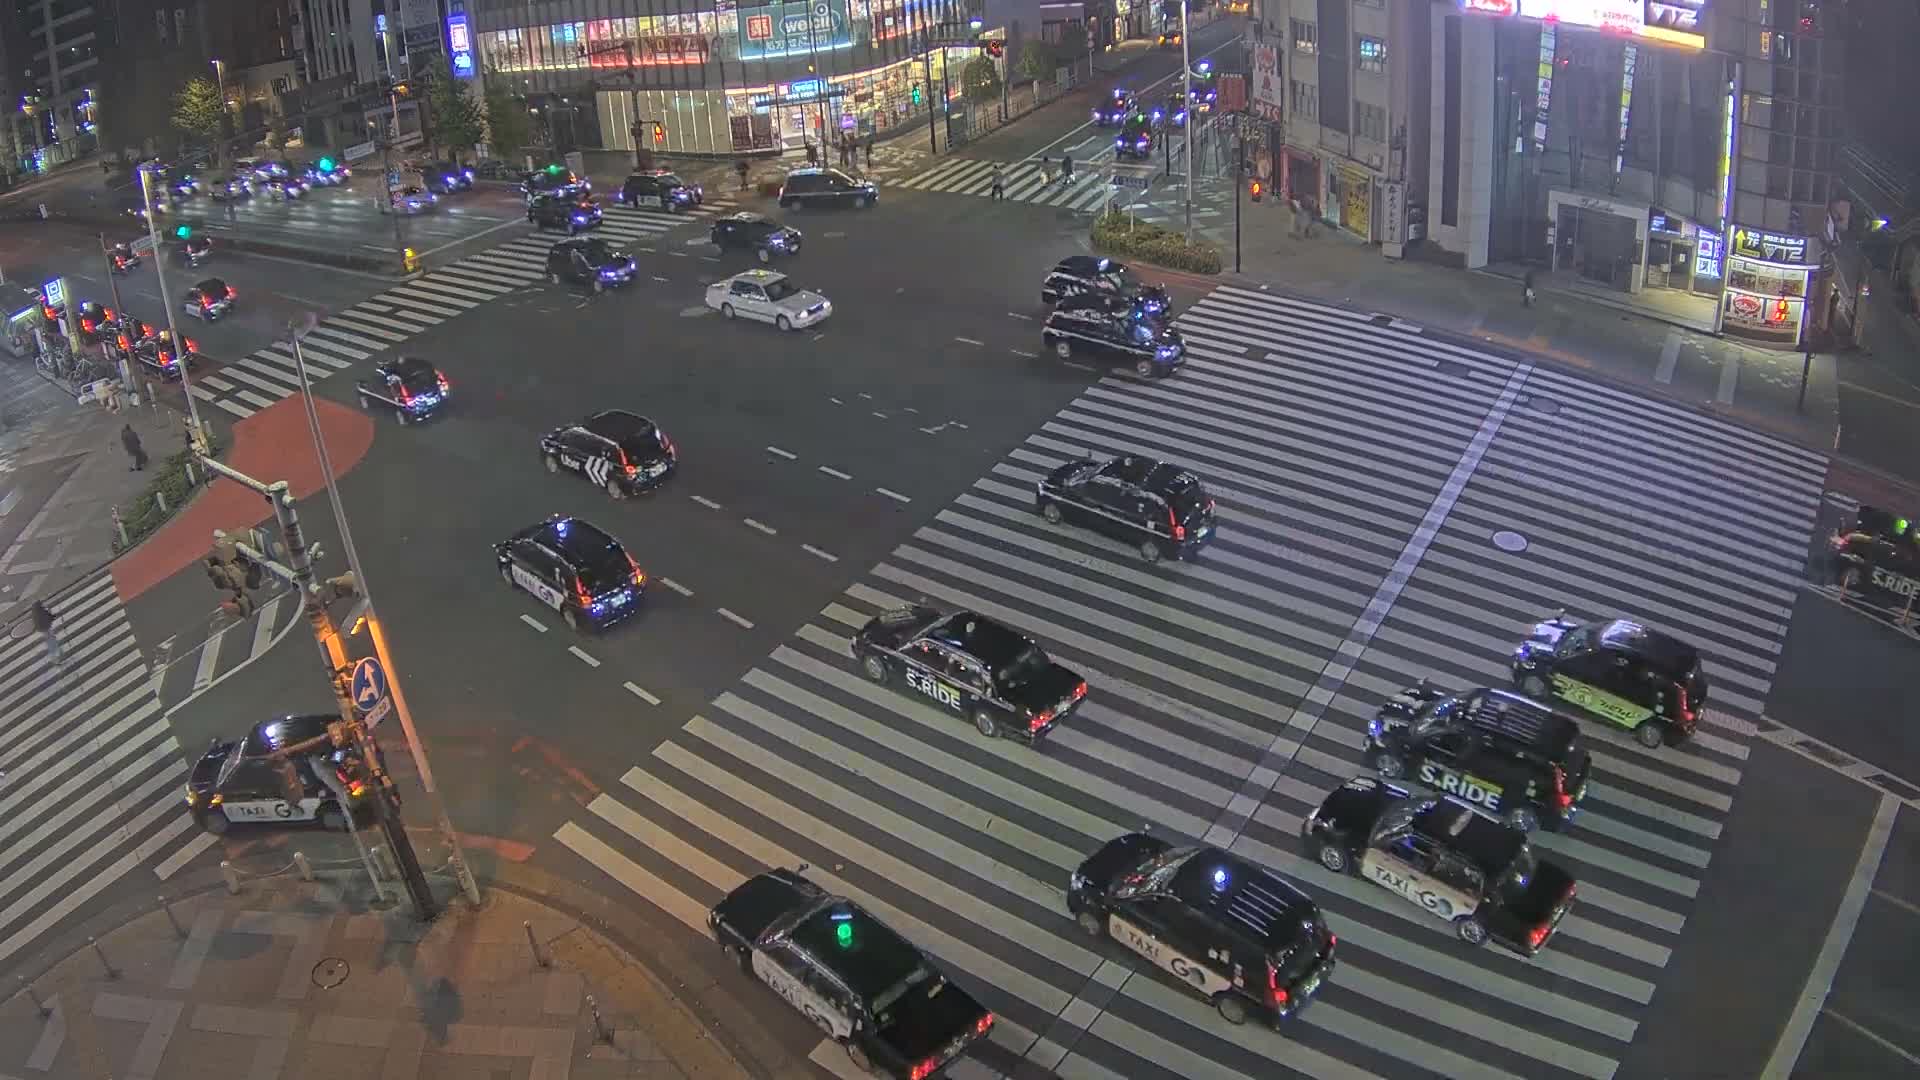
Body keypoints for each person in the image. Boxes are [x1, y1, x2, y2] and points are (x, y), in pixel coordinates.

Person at [30, 599, 58, 666]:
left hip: (42, 628)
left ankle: (53, 650)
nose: (43, 604)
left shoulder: (34, 613)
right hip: (46, 627)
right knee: (51, 641)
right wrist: (52, 616)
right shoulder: (43, 611)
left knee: (49, 638)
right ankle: (55, 657)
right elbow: (49, 617)